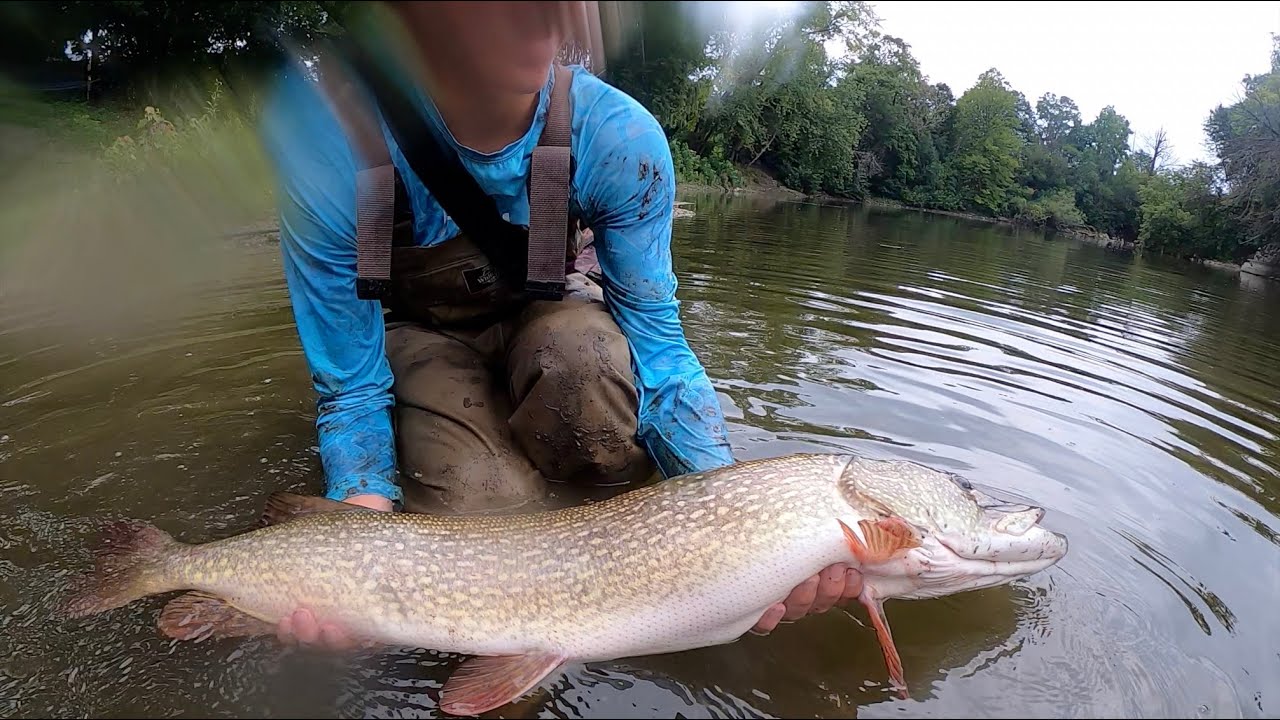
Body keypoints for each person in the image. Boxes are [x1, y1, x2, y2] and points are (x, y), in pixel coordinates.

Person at [257, 1, 862, 650]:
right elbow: (350, 384)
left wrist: (733, 528)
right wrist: (357, 534)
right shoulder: (327, 140)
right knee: (480, 506)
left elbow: (660, 354)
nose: (554, 21)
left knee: (590, 365)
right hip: (419, 341)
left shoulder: (617, 138)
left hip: (553, 320)